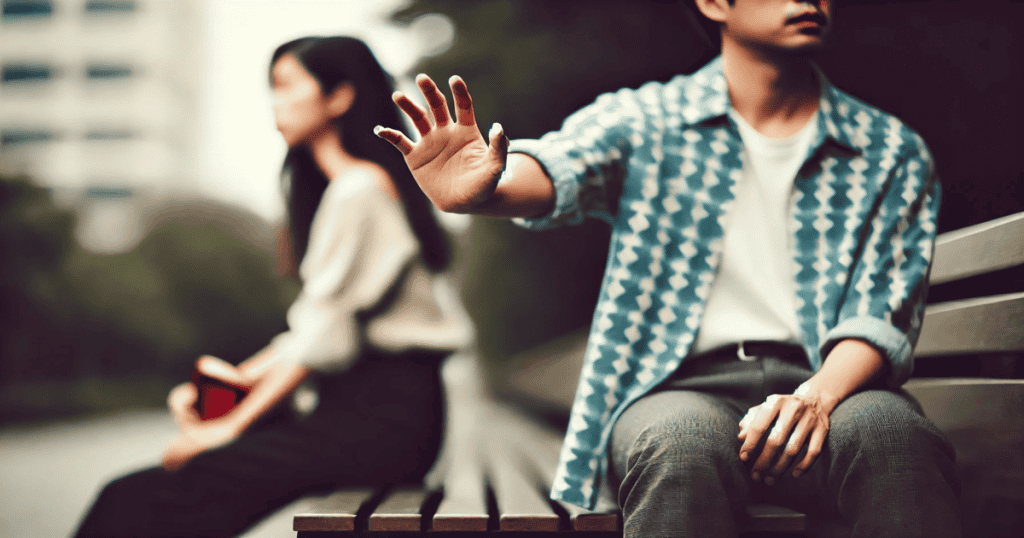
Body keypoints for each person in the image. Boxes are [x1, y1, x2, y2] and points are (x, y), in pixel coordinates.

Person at [374, 0, 961, 536]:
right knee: (677, 443)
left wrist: (815, 396)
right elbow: (561, 166)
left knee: (893, 435)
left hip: (832, 387)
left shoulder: (889, 149)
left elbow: (880, 310)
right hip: (677, 388)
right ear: (714, 4)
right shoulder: (647, 120)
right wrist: (488, 189)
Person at [74, 36, 473, 538]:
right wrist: (234, 384)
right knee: (163, 500)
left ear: (338, 98)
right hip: (379, 415)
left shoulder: (360, 190)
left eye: (285, 86)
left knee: (133, 499)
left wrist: (226, 429)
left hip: (381, 419)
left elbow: (320, 342)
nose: (274, 102)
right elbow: (310, 331)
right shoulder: (352, 190)